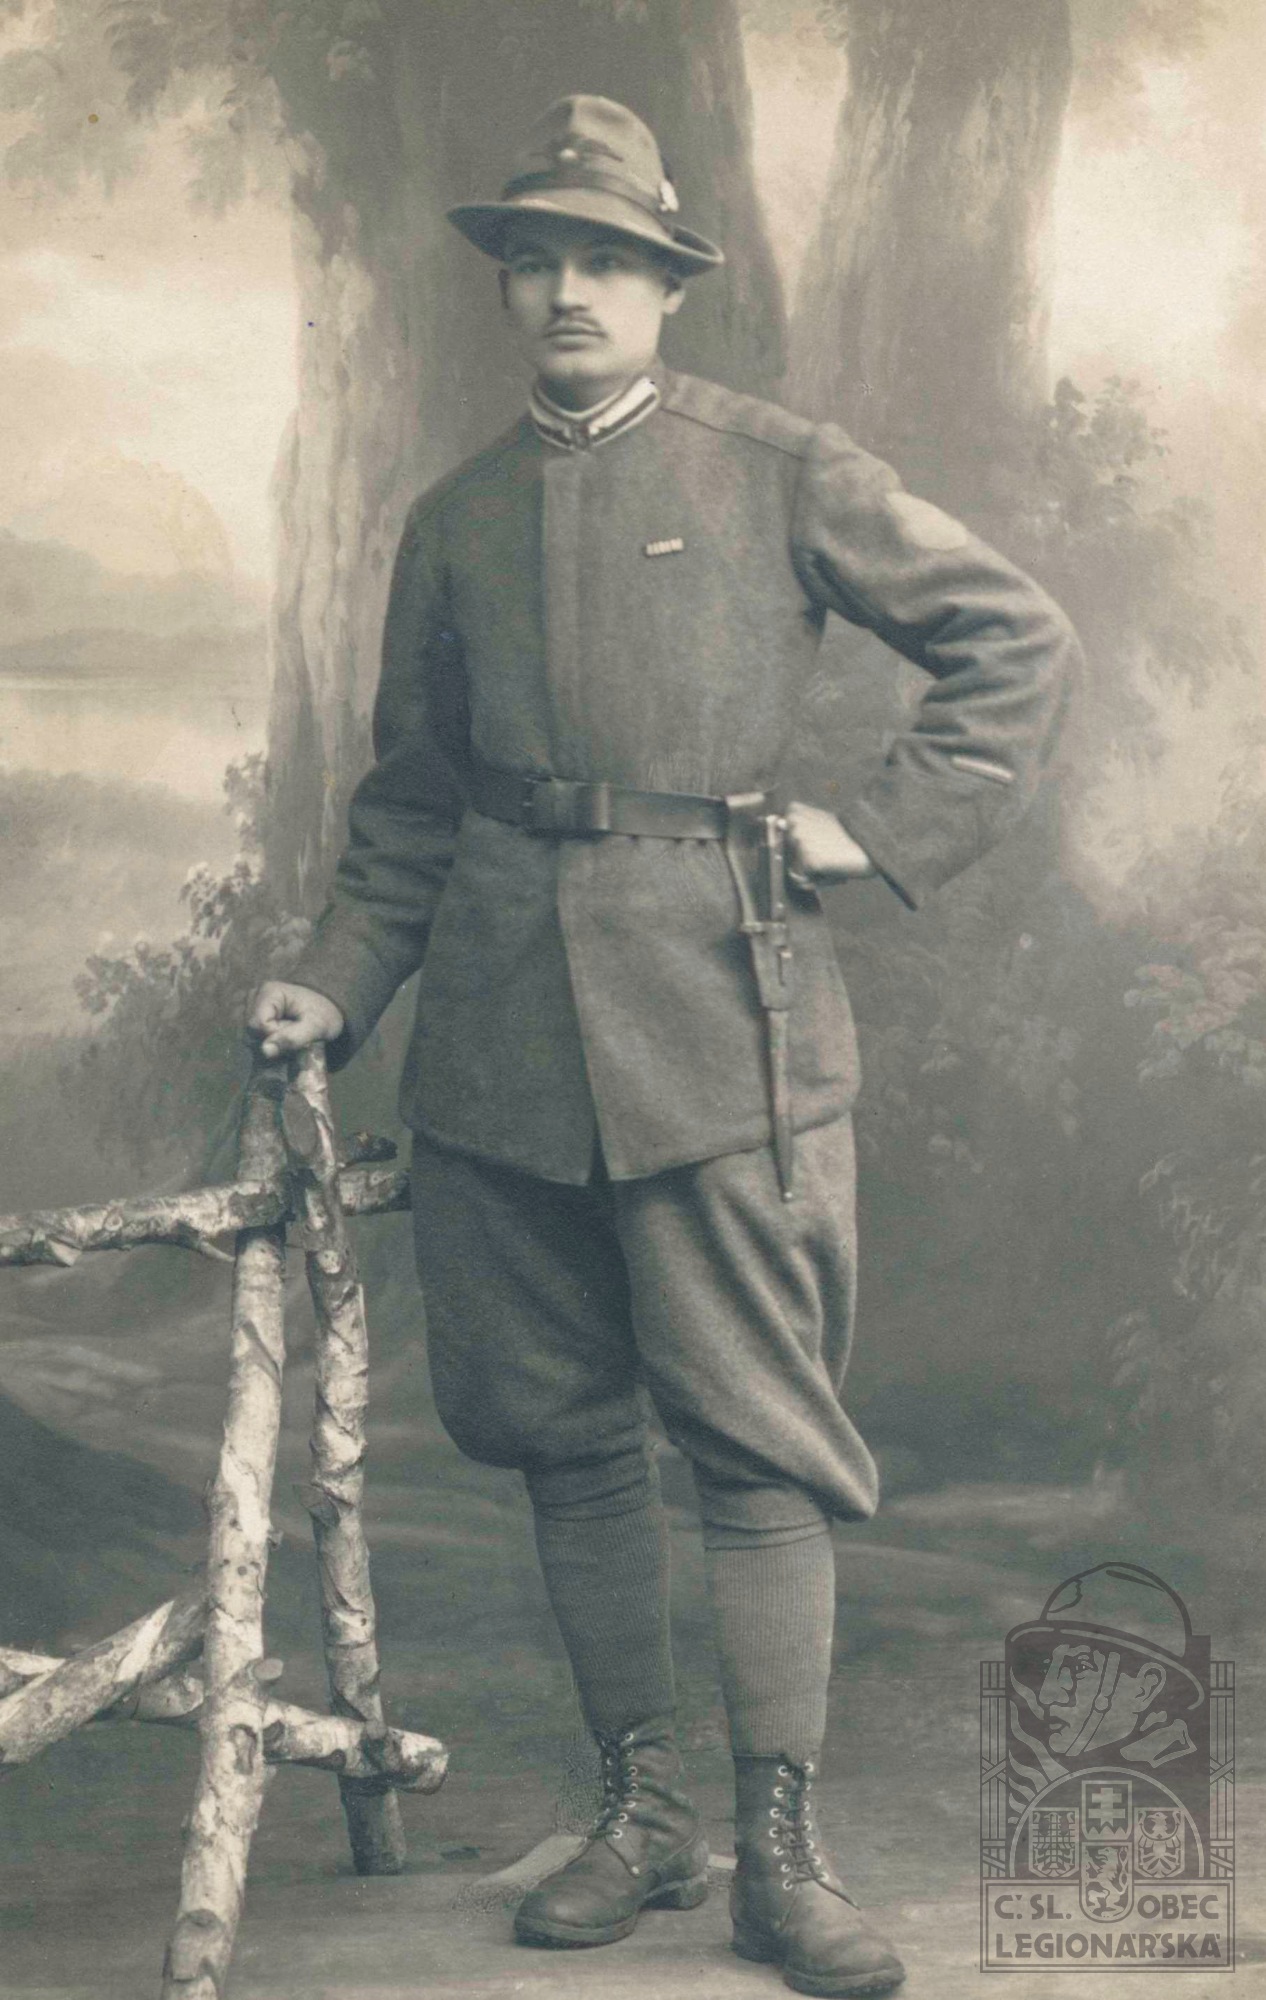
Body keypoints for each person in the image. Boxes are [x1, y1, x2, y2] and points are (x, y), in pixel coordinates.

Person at [249, 94, 1078, 1999]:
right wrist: (339, 984)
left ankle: (781, 1850)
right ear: (504, 287)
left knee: (756, 1443)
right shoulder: (453, 521)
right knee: (562, 1439)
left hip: (722, 1028)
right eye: (537, 259)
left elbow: (1013, 638)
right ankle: (642, 1815)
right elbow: (410, 804)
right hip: (500, 1046)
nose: (568, 291)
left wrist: (885, 826)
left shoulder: (779, 469)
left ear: (667, 287)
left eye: (607, 262)